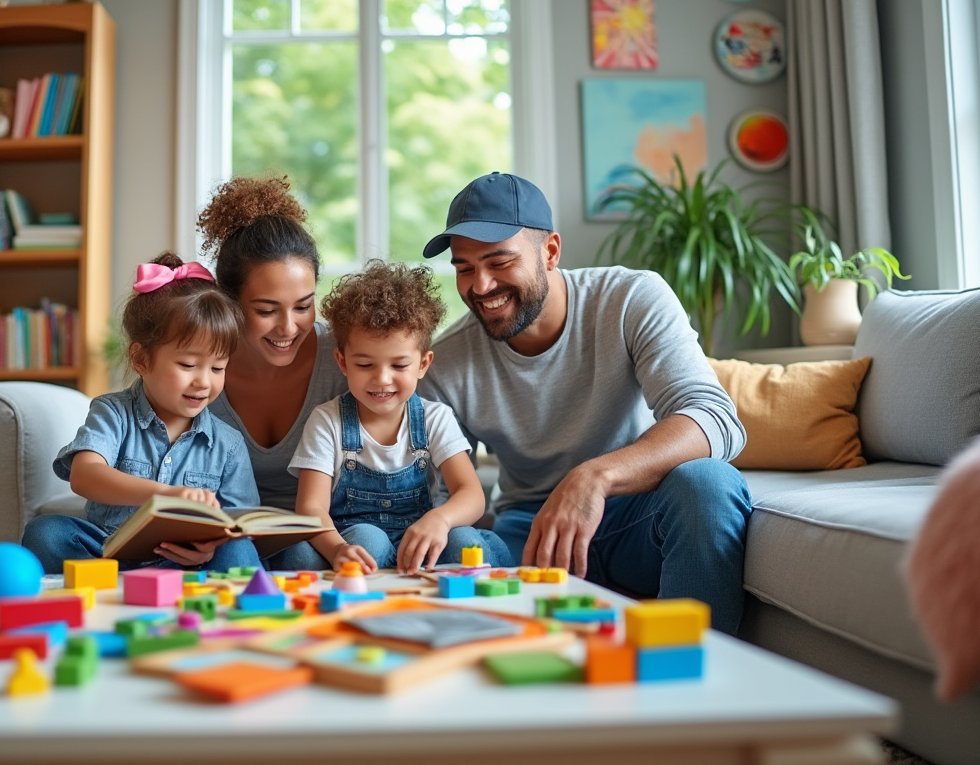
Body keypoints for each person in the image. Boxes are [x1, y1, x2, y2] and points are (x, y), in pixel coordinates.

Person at [419, 172, 753, 633]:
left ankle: (695, 675)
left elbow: (715, 419)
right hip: (529, 536)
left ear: (551, 251)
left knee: (710, 483)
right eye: (464, 268)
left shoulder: (631, 298)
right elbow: (433, 490)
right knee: (456, 542)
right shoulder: (447, 362)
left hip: (632, 518)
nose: (480, 286)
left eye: (499, 262)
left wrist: (595, 477)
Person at [21, 252, 264, 574]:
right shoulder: (113, 413)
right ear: (141, 360)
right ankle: (108, 595)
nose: (203, 381)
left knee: (238, 549)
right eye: (188, 365)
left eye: (218, 367)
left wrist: (208, 549)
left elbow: (240, 521)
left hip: (185, 562)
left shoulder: (228, 443)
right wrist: (166, 495)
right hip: (109, 554)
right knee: (46, 532)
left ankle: (225, 615)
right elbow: (84, 475)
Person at [272, 262, 511, 574]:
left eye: (399, 366)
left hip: (424, 546)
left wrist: (439, 520)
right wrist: (338, 550)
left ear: (423, 364)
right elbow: (311, 508)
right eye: (365, 365)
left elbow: (471, 495)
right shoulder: (327, 421)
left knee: (467, 542)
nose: (382, 379)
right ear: (343, 363)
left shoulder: (434, 418)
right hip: (357, 547)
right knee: (353, 541)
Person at [198, 176, 348, 514]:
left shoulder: (347, 358)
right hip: (226, 537)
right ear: (228, 298)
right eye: (266, 310)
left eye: (303, 306)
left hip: (326, 536)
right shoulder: (195, 363)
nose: (288, 327)